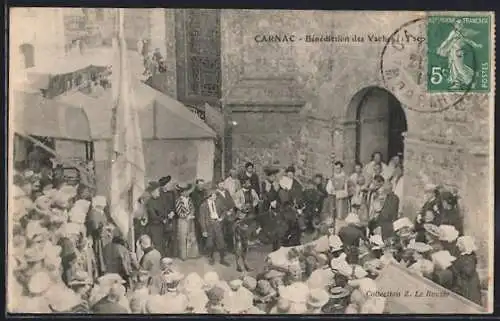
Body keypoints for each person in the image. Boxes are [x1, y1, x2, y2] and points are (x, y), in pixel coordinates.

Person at [199, 189, 231, 266]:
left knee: (221, 241)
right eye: (214, 195)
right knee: (210, 243)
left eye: (216, 195)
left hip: (217, 223)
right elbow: (202, 219)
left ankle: (222, 259)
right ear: (209, 196)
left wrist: (221, 218)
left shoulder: (218, 202)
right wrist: (204, 230)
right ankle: (211, 258)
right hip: (209, 225)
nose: (216, 196)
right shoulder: (203, 205)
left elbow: (224, 210)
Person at [453, 236, 482, 305]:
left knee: (470, 301)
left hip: (469, 284)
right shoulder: (463, 256)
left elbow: (468, 272)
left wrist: (457, 266)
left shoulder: (470, 257)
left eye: (460, 244)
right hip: (463, 282)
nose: (457, 245)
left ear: (465, 245)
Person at [175, 183, 199, 260]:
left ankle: (192, 254)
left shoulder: (189, 199)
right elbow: (178, 212)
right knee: (183, 238)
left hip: (190, 220)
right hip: (182, 221)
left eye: (187, 191)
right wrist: (186, 216)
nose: (187, 193)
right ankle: (183, 256)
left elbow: (193, 208)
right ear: (182, 192)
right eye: (186, 191)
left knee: (192, 236)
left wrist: (191, 215)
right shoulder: (178, 200)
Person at [145, 181, 169, 258]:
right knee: (157, 244)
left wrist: (165, 216)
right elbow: (153, 216)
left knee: (162, 244)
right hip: (154, 227)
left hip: (161, 226)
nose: (159, 192)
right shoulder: (149, 202)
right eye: (157, 191)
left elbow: (164, 211)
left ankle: (162, 260)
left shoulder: (160, 200)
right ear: (152, 192)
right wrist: (162, 219)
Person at [158, 176, 177, 257]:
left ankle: (171, 255)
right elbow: (159, 208)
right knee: (163, 238)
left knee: (172, 237)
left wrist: (173, 212)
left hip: (172, 218)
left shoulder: (172, 193)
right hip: (163, 219)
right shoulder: (159, 194)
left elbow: (175, 205)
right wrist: (166, 216)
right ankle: (163, 255)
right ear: (164, 185)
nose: (170, 185)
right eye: (168, 184)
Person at [232, 205, 254, 272]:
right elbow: (234, 229)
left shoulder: (245, 220)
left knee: (245, 251)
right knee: (238, 252)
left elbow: (248, 229)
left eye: (244, 214)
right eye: (242, 213)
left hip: (244, 238)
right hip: (238, 238)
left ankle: (246, 265)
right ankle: (238, 265)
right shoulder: (236, 221)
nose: (243, 215)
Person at [190, 179, 207, 253]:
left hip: (205, 215)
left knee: (205, 231)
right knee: (198, 233)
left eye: (202, 185)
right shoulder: (193, 194)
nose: (201, 186)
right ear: (196, 185)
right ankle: (200, 249)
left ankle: (206, 248)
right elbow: (194, 205)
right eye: (200, 185)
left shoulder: (205, 192)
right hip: (197, 215)